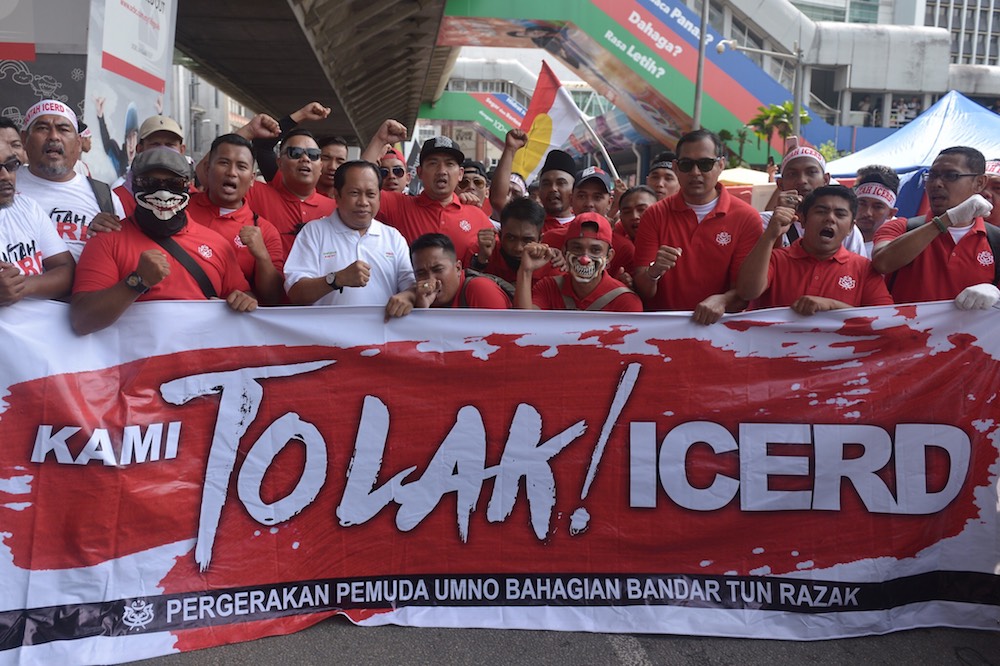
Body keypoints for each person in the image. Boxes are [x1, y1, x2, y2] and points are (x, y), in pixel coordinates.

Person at [70, 148, 257, 335]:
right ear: (134, 185)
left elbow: (243, 295)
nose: (163, 192)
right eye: (150, 183)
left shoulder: (217, 244)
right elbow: (82, 320)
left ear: (189, 186)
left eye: (175, 183)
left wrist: (243, 301)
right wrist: (137, 281)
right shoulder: (106, 240)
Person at [633, 129, 763, 323]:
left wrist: (723, 300)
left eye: (705, 164)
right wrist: (654, 272)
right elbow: (643, 289)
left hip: (721, 331)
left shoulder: (747, 218)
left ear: (720, 165)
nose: (695, 172)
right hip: (662, 330)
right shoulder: (654, 215)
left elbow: (746, 291)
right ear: (676, 167)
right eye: (686, 165)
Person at [872, 146, 998, 306]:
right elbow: (882, 263)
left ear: (979, 183)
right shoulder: (900, 227)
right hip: (905, 323)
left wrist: (996, 292)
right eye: (932, 176)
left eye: (951, 176)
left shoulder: (995, 240)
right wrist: (945, 221)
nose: (936, 183)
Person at [737, 185, 892, 314]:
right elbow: (747, 292)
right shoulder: (775, 259)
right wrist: (770, 235)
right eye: (821, 211)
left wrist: (832, 306)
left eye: (840, 214)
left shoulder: (865, 269)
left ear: (851, 227)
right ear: (803, 220)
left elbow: (884, 320)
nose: (830, 218)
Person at [284, 160, 414, 306]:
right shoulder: (314, 232)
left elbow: (410, 286)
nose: (363, 202)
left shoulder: (393, 237)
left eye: (371, 194)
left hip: (383, 322)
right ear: (337, 195)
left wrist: (408, 296)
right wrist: (336, 279)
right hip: (328, 322)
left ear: (379, 198)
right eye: (354, 193)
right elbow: (296, 293)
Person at [363, 125, 494, 265]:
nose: (442, 171)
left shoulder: (477, 216)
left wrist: (483, 258)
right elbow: (360, 183)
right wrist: (379, 139)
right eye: (433, 163)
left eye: (449, 164)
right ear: (419, 172)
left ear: (460, 174)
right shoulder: (398, 206)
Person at [15, 99, 126, 261]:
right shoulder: (6, 184)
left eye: (63, 129)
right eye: (42, 128)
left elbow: (123, 257)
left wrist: (101, 240)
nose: (54, 136)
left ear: (78, 143)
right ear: (24, 139)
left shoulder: (105, 197)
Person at [186, 134, 285, 305]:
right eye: (224, 163)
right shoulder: (179, 209)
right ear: (207, 169)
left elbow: (273, 298)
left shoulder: (265, 231)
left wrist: (262, 256)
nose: (231, 172)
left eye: (241, 166)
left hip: (232, 319)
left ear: (252, 178)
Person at [515, 212, 641, 312]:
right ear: (565, 251)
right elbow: (524, 325)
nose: (585, 258)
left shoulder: (625, 301)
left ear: (609, 256)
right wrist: (526, 271)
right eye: (577, 248)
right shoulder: (549, 288)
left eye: (595, 250)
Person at [0, 145, 74, 304]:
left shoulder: (27, 207)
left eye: (11, 165)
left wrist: (22, 286)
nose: (5, 176)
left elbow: (67, 270)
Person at [762, 146, 867, 257]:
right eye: (792, 174)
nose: (802, 180)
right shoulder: (764, 222)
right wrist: (773, 233)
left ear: (826, 180)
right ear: (780, 184)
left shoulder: (843, 226)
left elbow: (857, 266)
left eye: (811, 172)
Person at [398, 233, 511, 311]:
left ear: (457, 268)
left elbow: (502, 336)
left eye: (438, 270)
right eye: (421, 273)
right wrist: (422, 311)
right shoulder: (420, 298)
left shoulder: (480, 288)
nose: (431, 280)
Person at [113, 114, 187, 217]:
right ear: (139, 149)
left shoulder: (192, 196)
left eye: (170, 145)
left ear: (182, 150)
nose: (162, 151)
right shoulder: (115, 199)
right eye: (155, 144)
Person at [469, 196, 555, 283]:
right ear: (500, 235)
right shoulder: (483, 251)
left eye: (527, 240)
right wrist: (482, 259)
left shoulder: (552, 266)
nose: (518, 248)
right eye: (511, 238)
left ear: (540, 239)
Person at [610, 185, 657, 279]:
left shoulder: (671, 243)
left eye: (642, 209)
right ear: (620, 217)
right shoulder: (616, 248)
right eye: (627, 212)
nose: (634, 216)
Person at [853, 166, 901, 254]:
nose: (867, 213)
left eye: (877, 207)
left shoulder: (899, 244)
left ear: (890, 213)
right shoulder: (837, 235)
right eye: (862, 204)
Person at [94, 98, 138, 182]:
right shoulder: (120, 162)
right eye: (129, 139)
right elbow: (107, 143)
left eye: (134, 138)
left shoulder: (143, 164)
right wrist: (100, 118)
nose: (131, 144)